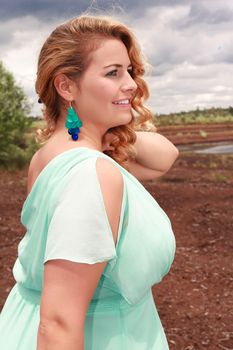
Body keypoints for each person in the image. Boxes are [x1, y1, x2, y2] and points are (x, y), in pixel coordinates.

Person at [0, 14, 179, 350]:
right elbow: (59, 324)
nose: (131, 84)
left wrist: (112, 138)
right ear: (67, 86)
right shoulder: (89, 173)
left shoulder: (52, 155)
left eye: (129, 70)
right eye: (113, 72)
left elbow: (166, 156)